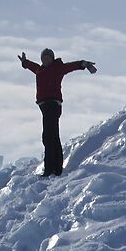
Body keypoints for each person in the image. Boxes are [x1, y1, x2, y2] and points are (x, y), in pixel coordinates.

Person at [18, 48, 96, 176]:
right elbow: (32, 66)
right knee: (52, 136)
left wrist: (84, 64)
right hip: (44, 106)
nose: (46, 59)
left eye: (48, 57)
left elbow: (71, 66)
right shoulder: (40, 69)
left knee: (49, 136)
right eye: (44, 57)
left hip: (52, 104)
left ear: (52, 58)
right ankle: (55, 168)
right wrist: (24, 62)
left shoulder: (57, 68)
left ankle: (51, 168)